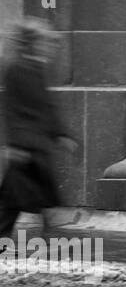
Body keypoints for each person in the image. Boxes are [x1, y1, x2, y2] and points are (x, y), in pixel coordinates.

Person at [0, 19, 76, 239]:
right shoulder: (16, 69)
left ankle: (46, 239)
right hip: (25, 145)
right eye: (45, 42)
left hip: (36, 143)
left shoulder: (35, 68)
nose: (50, 48)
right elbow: (13, 109)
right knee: (15, 199)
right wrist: (15, 145)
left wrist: (60, 133)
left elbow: (46, 106)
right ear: (32, 43)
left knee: (33, 196)